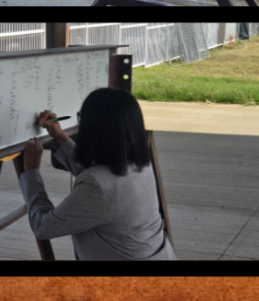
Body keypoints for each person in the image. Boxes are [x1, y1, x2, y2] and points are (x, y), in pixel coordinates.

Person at [18, 87, 176, 260]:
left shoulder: (98, 185)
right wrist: (60, 136)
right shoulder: (139, 162)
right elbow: (105, 182)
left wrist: (31, 172)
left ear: (93, 130)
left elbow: (43, 227)